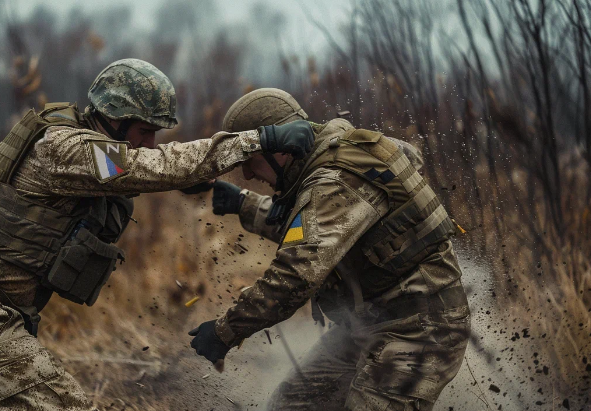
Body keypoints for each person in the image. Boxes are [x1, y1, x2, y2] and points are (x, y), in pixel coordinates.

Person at [0, 61, 315, 411]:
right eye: (143, 131)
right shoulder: (63, 147)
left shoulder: (89, 155)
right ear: (113, 117)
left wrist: (185, 181)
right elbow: (139, 166)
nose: (148, 143)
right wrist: (257, 141)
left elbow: (133, 168)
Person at [187, 88, 470, 411]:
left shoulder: (336, 180)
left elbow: (295, 276)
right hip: (368, 323)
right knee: (291, 406)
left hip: (419, 330)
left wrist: (225, 331)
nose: (248, 173)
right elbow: (316, 228)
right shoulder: (331, 157)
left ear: (281, 149)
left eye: (250, 161)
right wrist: (240, 202)